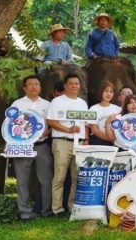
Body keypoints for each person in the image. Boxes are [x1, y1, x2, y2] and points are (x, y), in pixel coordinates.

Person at [10, 75, 53, 220]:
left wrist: (47, 132)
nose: (34, 86)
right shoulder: (17, 104)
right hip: (22, 146)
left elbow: (52, 123)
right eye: (30, 84)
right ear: (24, 88)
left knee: (46, 179)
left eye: (37, 84)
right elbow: (10, 124)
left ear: (40, 87)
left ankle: (46, 211)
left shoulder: (47, 105)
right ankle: (25, 212)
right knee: (22, 180)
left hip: (42, 146)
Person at [46, 74, 88, 217]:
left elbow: (86, 124)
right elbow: (51, 121)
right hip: (62, 142)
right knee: (59, 177)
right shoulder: (57, 101)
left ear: (79, 86)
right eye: (71, 83)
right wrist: (68, 130)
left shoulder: (83, 103)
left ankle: (72, 206)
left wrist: (86, 139)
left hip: (80, 143)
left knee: (77, 177)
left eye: (76, 83)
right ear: (65, 85)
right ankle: (57, 208)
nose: (74, 86)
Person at [88, 82, 121, 146]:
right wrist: (109, 139)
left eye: (111, 92)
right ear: (101, 92)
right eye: (106, 91)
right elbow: (94, 130)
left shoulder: (117, 109)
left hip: (114, 142)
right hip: (98, 141)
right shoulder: (93, 108)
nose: (108, 94)